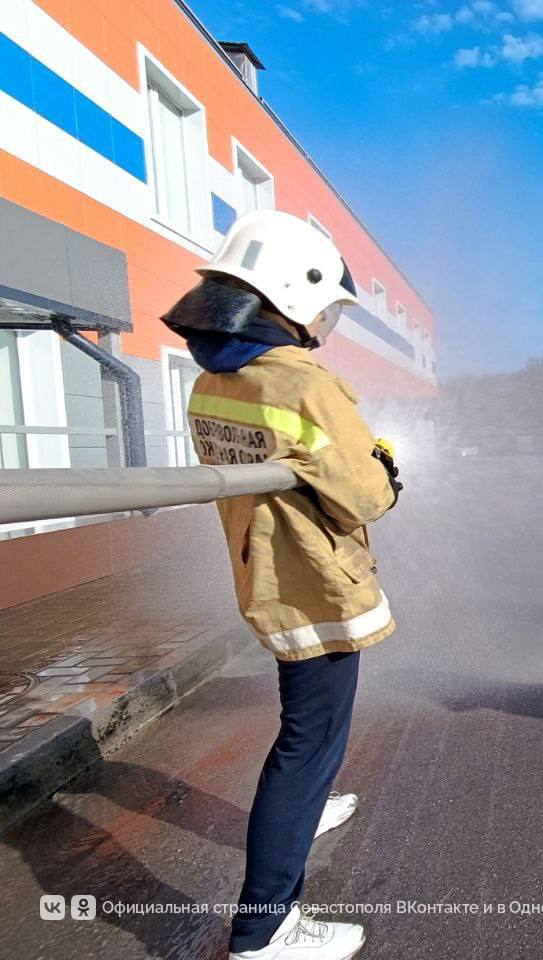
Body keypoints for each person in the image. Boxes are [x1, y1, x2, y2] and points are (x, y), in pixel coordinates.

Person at [161, 211, 403, 960]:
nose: (327, 322)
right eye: (326, 306)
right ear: (291, 296)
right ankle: (266, 933)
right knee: (308, 742)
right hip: (320, 588)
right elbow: (365, 495)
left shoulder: (211, 380)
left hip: (264, 576)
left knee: (302, 730)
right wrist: (385, 468)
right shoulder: (303, 381)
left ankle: (307, 809)